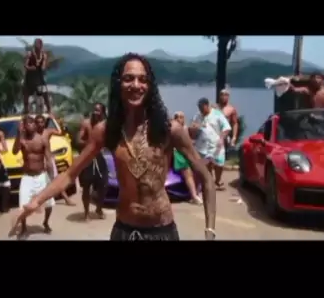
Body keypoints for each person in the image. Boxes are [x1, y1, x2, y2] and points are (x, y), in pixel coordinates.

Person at [12, 54, 217, 241]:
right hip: (124, 231)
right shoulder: (106, 131)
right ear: (118, 84)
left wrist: (210, 230)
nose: (136, 85)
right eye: (128, 78)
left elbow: (206, 178)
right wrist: (35, 201)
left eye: (142, 79)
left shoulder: (168, 130)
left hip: (162, 231)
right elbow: (69, 174)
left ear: (150, 86)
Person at [12, 115, 55, 237]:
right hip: (27, 177)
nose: (30, 125)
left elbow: (48, 159)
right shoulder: (22, 140)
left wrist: (52, 178)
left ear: (35, 125)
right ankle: (23, 227)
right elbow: (14, 151)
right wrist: (18, 134)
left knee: (49, 203)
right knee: (23, 203)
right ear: (24, 127)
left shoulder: (42, 140)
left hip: (41, 175)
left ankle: (46, 222)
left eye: (32, 123)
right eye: (27, 124)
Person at [77, 103, 109, 221]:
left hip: (100, 157)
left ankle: (98, 208)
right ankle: (86, 213)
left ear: (103, 112)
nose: (96, 112)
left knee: (104, 185)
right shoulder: (86, 123)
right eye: (94, 110)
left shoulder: (106, 124)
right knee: (86, 187)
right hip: (87, 158)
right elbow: (78, 139)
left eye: (98, 110)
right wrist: (91, 145)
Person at [191, 97, 231, 191]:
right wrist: (194, 128)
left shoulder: (217, 114)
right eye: (199, 108)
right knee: (206, 164)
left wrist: (222, 138)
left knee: (219, 164)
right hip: (202, 146)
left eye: (202, 108)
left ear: (207, 105)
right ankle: (209, 182)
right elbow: (192, 129)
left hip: (216, 145)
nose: (201, 110)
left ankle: (218, 180)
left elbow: (227, 128)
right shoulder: (197, 116)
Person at [34, 114, 74, 206]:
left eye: (42, 122)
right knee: (38, 182)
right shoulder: (33, 134)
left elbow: (61, 133)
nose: (40, 124)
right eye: (38, 122)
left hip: (49, 161)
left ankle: (66, 199)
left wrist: (60, 123)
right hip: (38, 161)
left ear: (44, 123)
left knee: (55, 180)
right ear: (35, 124)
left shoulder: (48, 132)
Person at [172, 112, 202, 205]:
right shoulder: (173, 129)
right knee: (187, 171)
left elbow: (192, 139)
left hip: (188, 153)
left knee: (199, 167)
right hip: (177, 153)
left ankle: (197, 192)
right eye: (176, 117)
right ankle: (194, 196)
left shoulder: (185, 128)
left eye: (181, 117)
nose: (178, 119)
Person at [23, 38, 51, 114]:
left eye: (40, 45)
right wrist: (30, 68)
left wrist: (43, 67)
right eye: (37, 45)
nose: (38, 47)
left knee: (45, 94)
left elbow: (44, 65)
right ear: (34, 46)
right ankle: (26, 111)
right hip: (30, 78)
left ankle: (49, 110)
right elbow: (25, 65)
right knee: (26, 94)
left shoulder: (43, 55)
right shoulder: (30, 54)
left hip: (39, 78)